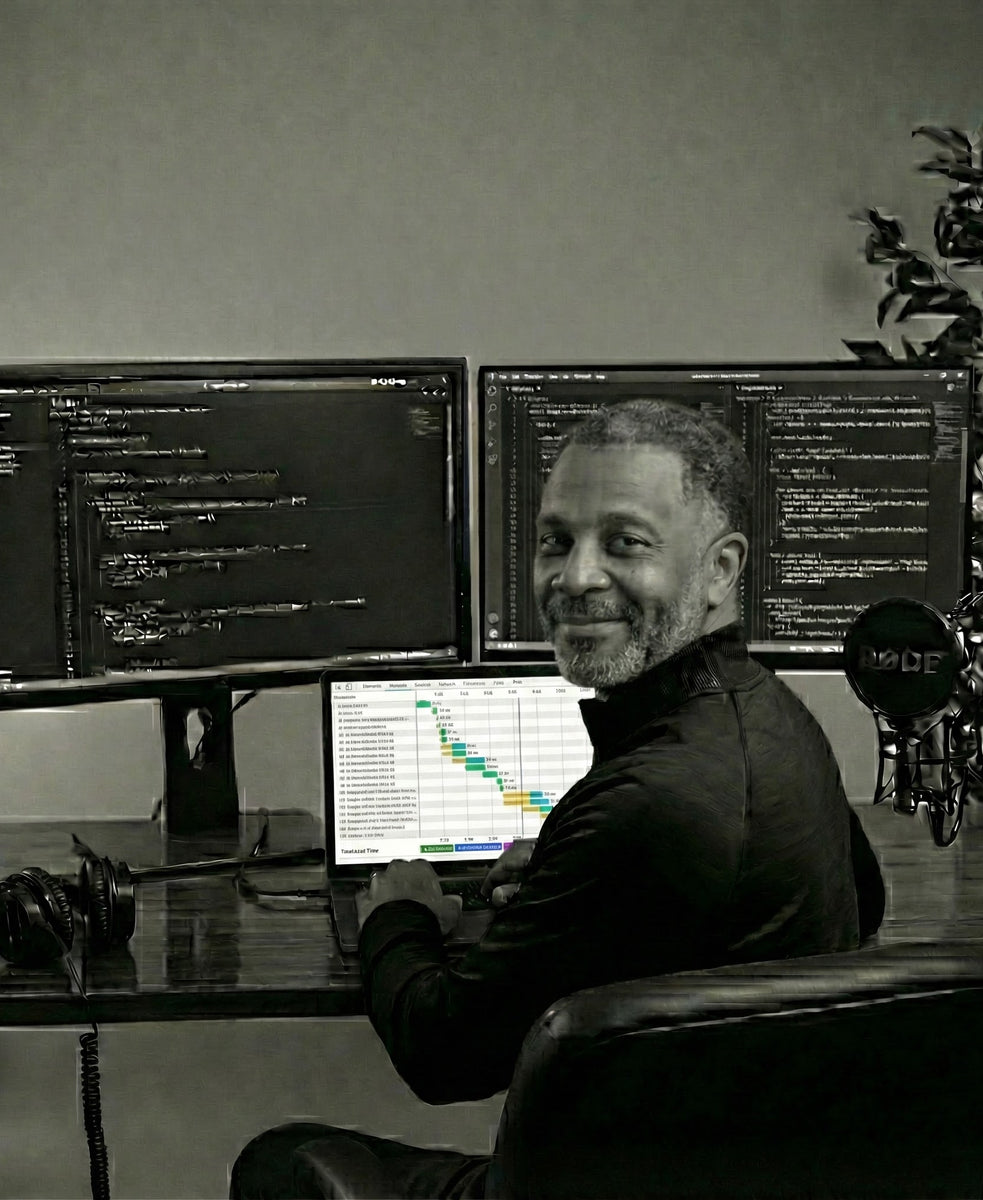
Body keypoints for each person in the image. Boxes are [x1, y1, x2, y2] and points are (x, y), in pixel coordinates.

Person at [231, 400, 885, 1199]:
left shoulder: (646, 802)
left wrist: (395, 914)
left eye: (625, 543)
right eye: (555, 540)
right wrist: (575, 874)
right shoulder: (771, 712)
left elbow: (441, 1054)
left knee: (278, 1163)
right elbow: (866, 894)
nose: (574, 578)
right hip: (755, 1169)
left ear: (720, 571)